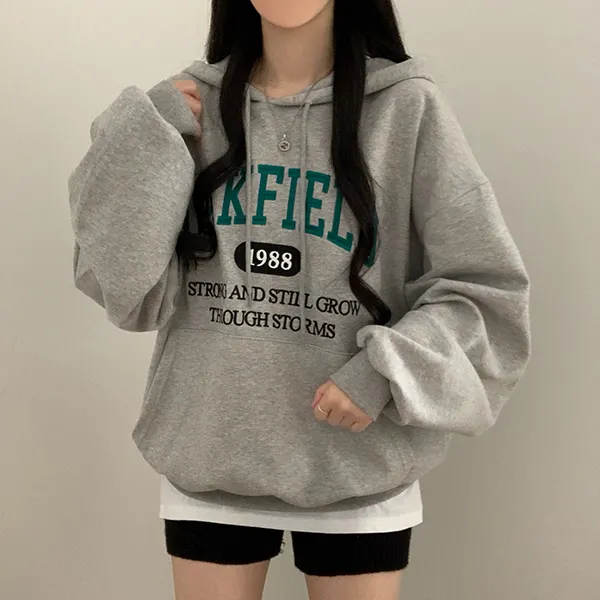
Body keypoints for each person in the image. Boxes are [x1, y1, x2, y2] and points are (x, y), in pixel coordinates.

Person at [68, 0, 531, 598]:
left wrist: (383, 372)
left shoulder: (404, 108)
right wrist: (140, 143)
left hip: (358, 465)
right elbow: (124, 292)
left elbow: (487, 291)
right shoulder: (187, 108)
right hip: (211, 452)